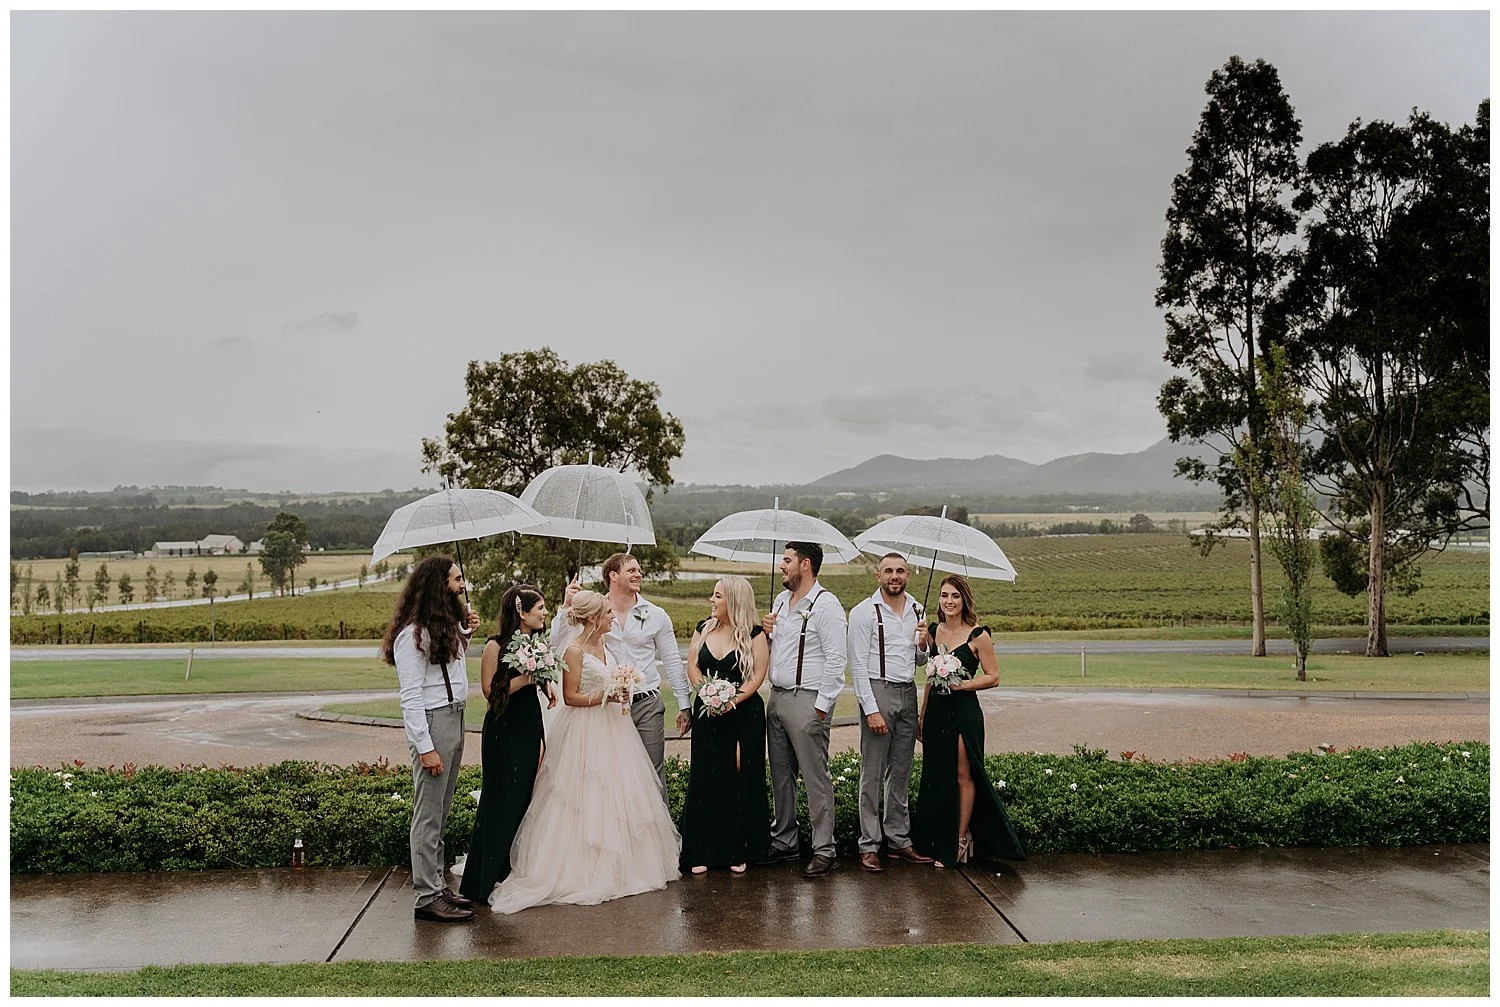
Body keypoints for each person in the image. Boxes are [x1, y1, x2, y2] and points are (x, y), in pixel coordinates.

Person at [488, 589, 681, 912]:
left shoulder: (604, 644)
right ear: (593, 618)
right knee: (582, 793)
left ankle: (625, 867)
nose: (612, 617)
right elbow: (571, 696)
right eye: (607, 613)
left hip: (614, 729)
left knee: (619, 794)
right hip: (583, 730)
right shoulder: (574, 650)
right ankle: (580, 869)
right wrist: (608, 695)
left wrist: (621, 689)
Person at [380, 555, 481, 923]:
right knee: (428, 815)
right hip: (434, 723)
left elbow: (449, 667)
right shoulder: (412, 637)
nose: (462, 585)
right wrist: (425, 747)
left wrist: (465, 632)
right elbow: (410, 697)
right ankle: (426, 896)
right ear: (439, 586)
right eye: (456, 580)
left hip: (455, 717)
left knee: (441, 812)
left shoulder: (442, 628)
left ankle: (437, 886)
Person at [911, 574, 1026, 869]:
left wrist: (964, 685)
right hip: (936, 712)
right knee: (936, 775)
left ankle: (961, 838)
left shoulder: (978, 636)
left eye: (955, 596)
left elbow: (994, 677)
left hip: (964, 712)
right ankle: (936, 839)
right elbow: (929, 678)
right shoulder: (933, 631)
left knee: (963, 775)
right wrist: (923, 713)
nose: (949, 601)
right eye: (944, 595)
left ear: (964, 600)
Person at [553, 553, 690, 798]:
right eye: (632, 570)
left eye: (639, 570)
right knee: (610, 775)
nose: (639, 574)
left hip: (647, 703)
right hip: (606, 710)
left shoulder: (657, 615)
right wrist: (566, 606)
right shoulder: (596, 611)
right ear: (613, 576)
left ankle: (656, 823)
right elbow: (558, 643)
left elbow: (672, 661)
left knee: (652, 774)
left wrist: (684, 704)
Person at [455, 584, 557, 905]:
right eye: (539, 608)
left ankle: (507, 872)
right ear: (521, 612)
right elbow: (490, 690)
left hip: (530, 722)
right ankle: (480, 881)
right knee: (500, 801)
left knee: (525, 796)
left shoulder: (537, 643)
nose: (545, 613)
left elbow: (537, 677)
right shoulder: (495, 646)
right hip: (504, 727)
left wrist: (545, 683)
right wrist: (527, 676)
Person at [760, 541, 848, 878]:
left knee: (815, 778)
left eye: (787, 560)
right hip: (777, 697)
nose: (782, 566)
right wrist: (767, 633)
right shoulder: (781, 601)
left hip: (808, 701)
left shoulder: (827, 606)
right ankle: (785, 840)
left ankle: (825, 850)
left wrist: (821, 708)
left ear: (805, 564)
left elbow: (836, 660)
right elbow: (779, 650)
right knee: (781, 776)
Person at [848, 552, 935, 871]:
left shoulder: (917, 609)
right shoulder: (863, 612)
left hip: (907, 692)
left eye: (900, 570)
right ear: (878, 576)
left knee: (901, 771)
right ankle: (869, 844)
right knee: (872, 772)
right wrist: (871, 709)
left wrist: (924, 644)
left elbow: (920, 661)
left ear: (908, 575)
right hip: (878, 690)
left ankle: (898, 839)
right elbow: (857, 665)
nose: (894, 576)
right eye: (888, 570)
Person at [679, 575, 772, 874]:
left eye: (718, 596)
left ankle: (737, 849)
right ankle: (701, 851)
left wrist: (731, 701)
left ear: (733, 600)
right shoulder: (703, 628)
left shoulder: (755, 634)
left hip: (744, 713)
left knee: (739, 775)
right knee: (706, 775)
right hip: (708, 712)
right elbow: (692, 665)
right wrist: (705, 693)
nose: (712, 599)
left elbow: (757, 676)